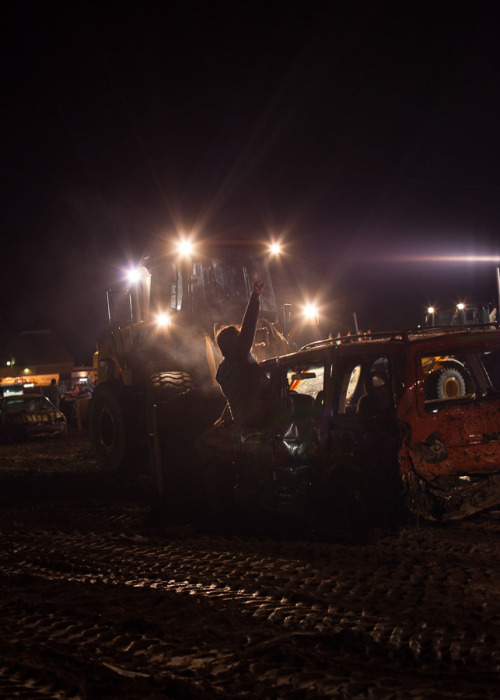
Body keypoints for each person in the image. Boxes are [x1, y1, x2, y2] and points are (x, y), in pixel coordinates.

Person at [215, 279, 270, 428]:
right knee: (305, 402)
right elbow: (249, 324)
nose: (242, 337)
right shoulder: (240, 354)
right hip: (259, 414)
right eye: (239, 336)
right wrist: (255, 296)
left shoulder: (221, 371)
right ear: (236, 342)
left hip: (242, 421)